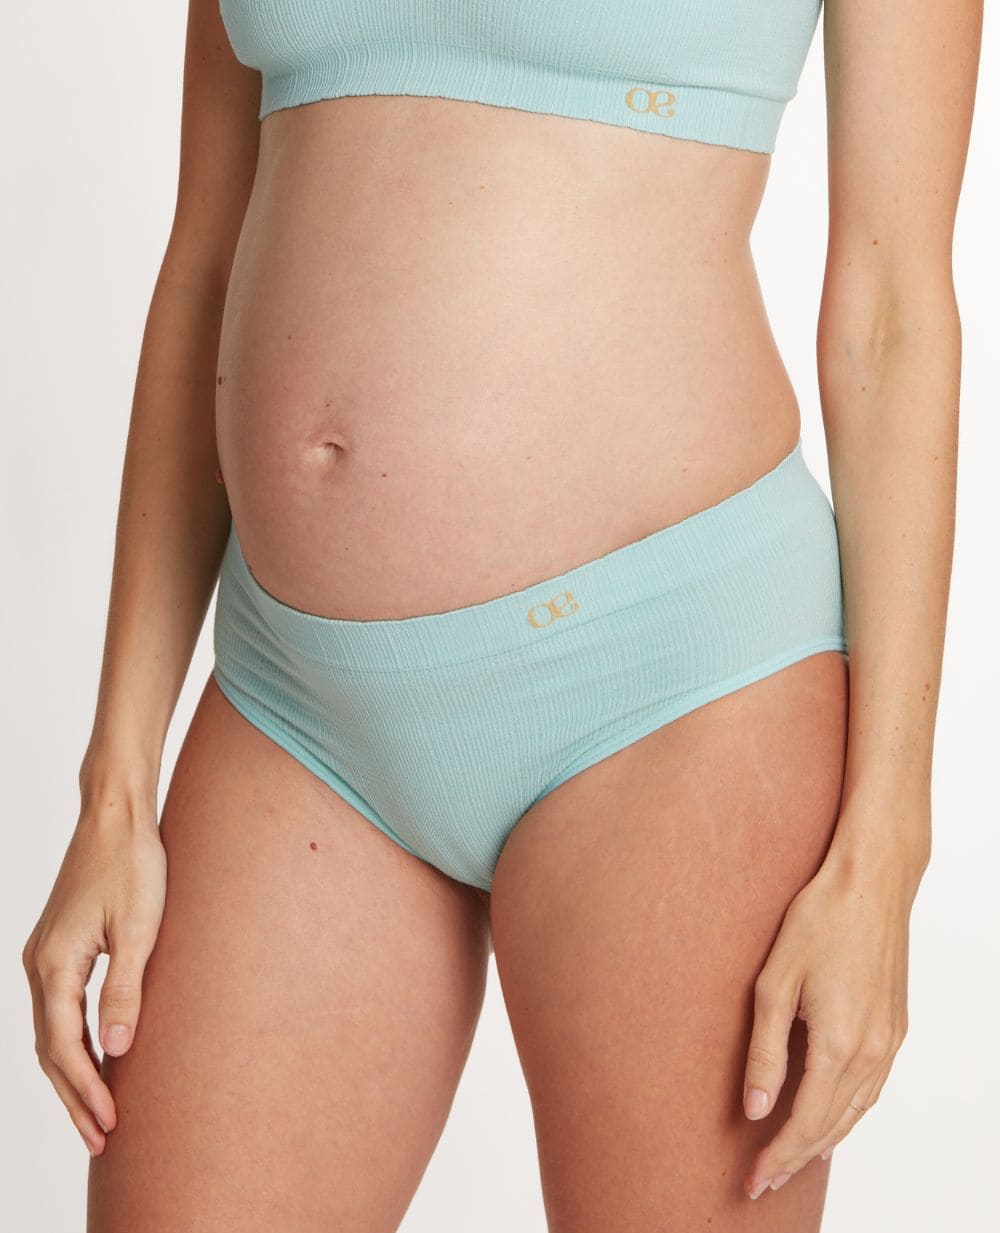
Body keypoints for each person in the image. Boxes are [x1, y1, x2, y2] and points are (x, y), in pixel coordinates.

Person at [22, 1, 981, 1229]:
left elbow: (893, 316)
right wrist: (115, 783)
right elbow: (204, 267)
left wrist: (886, 851)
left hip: (667, 687)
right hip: (294, 704)